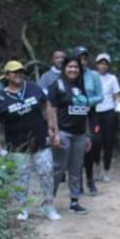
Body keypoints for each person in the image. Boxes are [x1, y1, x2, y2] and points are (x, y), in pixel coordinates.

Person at [0, 60, 61, 221]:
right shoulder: (0, 97)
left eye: (21, 71)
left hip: (40, 141)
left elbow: (47, 105)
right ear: (7, 75)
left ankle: (48, 205)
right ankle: (22, 208)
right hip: (17, 146)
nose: (19, 75)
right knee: (20, 178)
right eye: (15, 72)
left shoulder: (33, 87)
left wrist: (52, 127)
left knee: (47, 173)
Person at [48, 55, 93, 214]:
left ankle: (74, 202)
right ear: (64, 68)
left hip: (80, 134)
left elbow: (85, 112)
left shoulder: (81, 86)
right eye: (70, 67)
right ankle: (48, 202)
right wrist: (55, 133)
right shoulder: (57, 85)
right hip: (63, 133)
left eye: (76, 67)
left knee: (76, 168)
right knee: (58, 168)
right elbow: (51, 110)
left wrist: (87, 135)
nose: (73, 70)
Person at [72, 46, 105, 195]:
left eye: (84, 58)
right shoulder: (69, 74)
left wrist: (87, 102)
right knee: (76, 147)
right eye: (79, 58)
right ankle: (77, 182)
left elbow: (100, 96)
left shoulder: (93, 75)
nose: (82, 61)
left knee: (93, 143)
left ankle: (90, 180)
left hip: (90, 113)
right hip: (73, 113)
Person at [93, 52, 120, 182]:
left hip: (109, 112)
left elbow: (117, 96)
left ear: (108, 66)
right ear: (97, 64)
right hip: (95, 112)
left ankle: (106, 171)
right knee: (95, 141)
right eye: (101, 63)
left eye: (105, 64)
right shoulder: (92, 77)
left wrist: (118, 108)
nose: (103, 66)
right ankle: (96, 168)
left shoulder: (112, 78)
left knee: (108, 142)